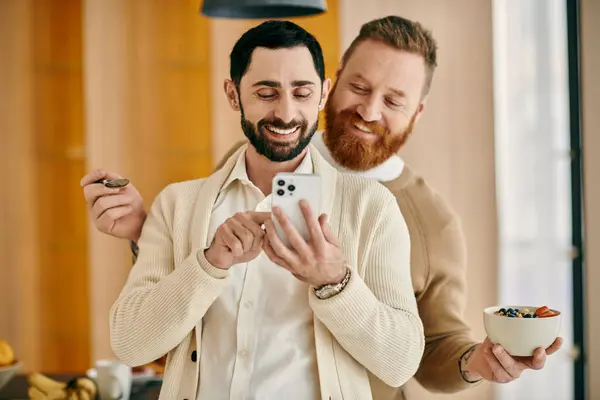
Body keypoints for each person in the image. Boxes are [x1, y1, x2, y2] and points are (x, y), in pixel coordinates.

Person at [81, 16, 562, 400]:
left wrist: (477, 361)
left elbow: (424, 350)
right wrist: (155, 239)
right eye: (360, 87)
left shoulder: (406, 214)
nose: (369, 112)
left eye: (394, 99)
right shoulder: (232, 166)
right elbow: (178, 296)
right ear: (336, 84)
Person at [92, 20, 424, 400]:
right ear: (233, 95)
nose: (285, 113)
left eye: (302, 93)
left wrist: (335, 282)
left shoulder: (372, 208)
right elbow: (131, 345)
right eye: (266, 93)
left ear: (323, 95)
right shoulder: (177, 204)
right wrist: (208, 264)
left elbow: (400, 362)